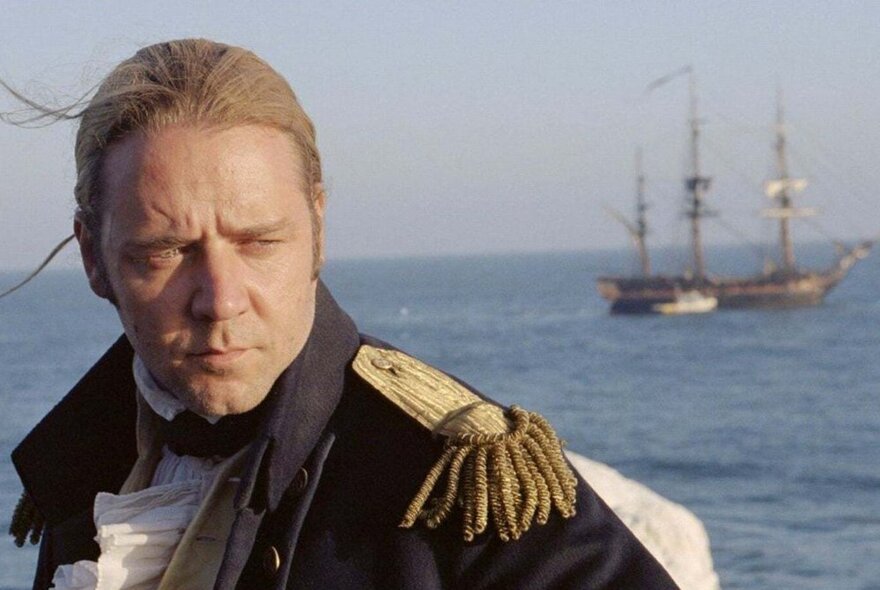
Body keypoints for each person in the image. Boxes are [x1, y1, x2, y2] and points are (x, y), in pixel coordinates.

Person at [8, 39, 678, 589]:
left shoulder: (458, 479)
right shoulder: (82, 461)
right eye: (165, 252)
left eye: (260, 243)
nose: (220, 299)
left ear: (318, 232)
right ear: (94, 257)